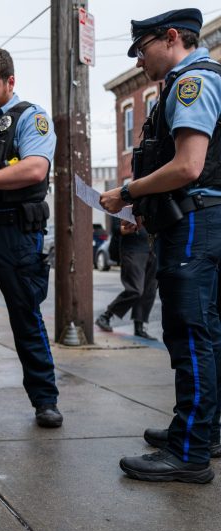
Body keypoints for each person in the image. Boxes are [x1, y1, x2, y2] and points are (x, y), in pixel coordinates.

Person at [101, 8, 221, 484]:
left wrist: (127, 192)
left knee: (190, 334)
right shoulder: (192, 81)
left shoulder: (192, 83)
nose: (138, 61)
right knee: (208, 332)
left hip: (193, 220)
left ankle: (188, 451)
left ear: (171, 38)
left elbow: (189, 166)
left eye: (142, 48)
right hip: (203, 220)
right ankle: (202, 431)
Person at [0, 48, 62, 428]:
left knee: (25, 318)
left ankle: (45, 400)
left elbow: (35, 169)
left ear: (10, 82)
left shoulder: (30, 118)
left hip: (16, 235)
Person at [95, 221, 158, 340]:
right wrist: (125, 229)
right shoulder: (126, 203)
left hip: (152, 250)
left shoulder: (153, 203)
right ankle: (106, 316)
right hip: (133, 250)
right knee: (135, 290)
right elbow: (115, 228)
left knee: (149, 290)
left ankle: (139, 328)